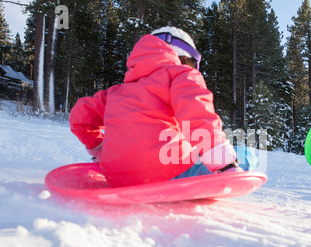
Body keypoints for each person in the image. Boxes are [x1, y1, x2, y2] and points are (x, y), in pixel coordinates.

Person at [69, 27, 240, 187]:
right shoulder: (181, 75)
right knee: (247, 155)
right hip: (169, 173)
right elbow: (197, 113)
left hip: (117, 178)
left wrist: (100, 150)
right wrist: (223, 162)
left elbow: (79, 116)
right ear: (185, 58)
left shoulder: (115, 93)